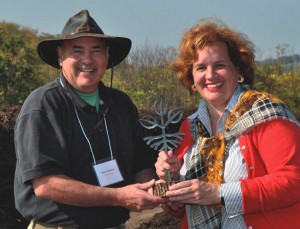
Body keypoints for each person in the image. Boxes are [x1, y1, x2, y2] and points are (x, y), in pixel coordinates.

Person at [14, 9, 165, 229]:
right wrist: (118, 197)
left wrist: (153, 185)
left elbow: (140, 164)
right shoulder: (44, 104)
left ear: (107, 56)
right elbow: (46, 184)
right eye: (77, 50)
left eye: (96, 50)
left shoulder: (121, 103)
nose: (87, 59)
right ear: (60, 56)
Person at [155, 18, 300, 229]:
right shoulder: (189, 127)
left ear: (238, 70)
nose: (210, 75)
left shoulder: (268, 115)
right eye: (201, 67)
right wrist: (168, 182)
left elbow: (293, 183)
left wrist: (218, 194)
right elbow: (181, 209)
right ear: (191, 78)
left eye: (220, 65)